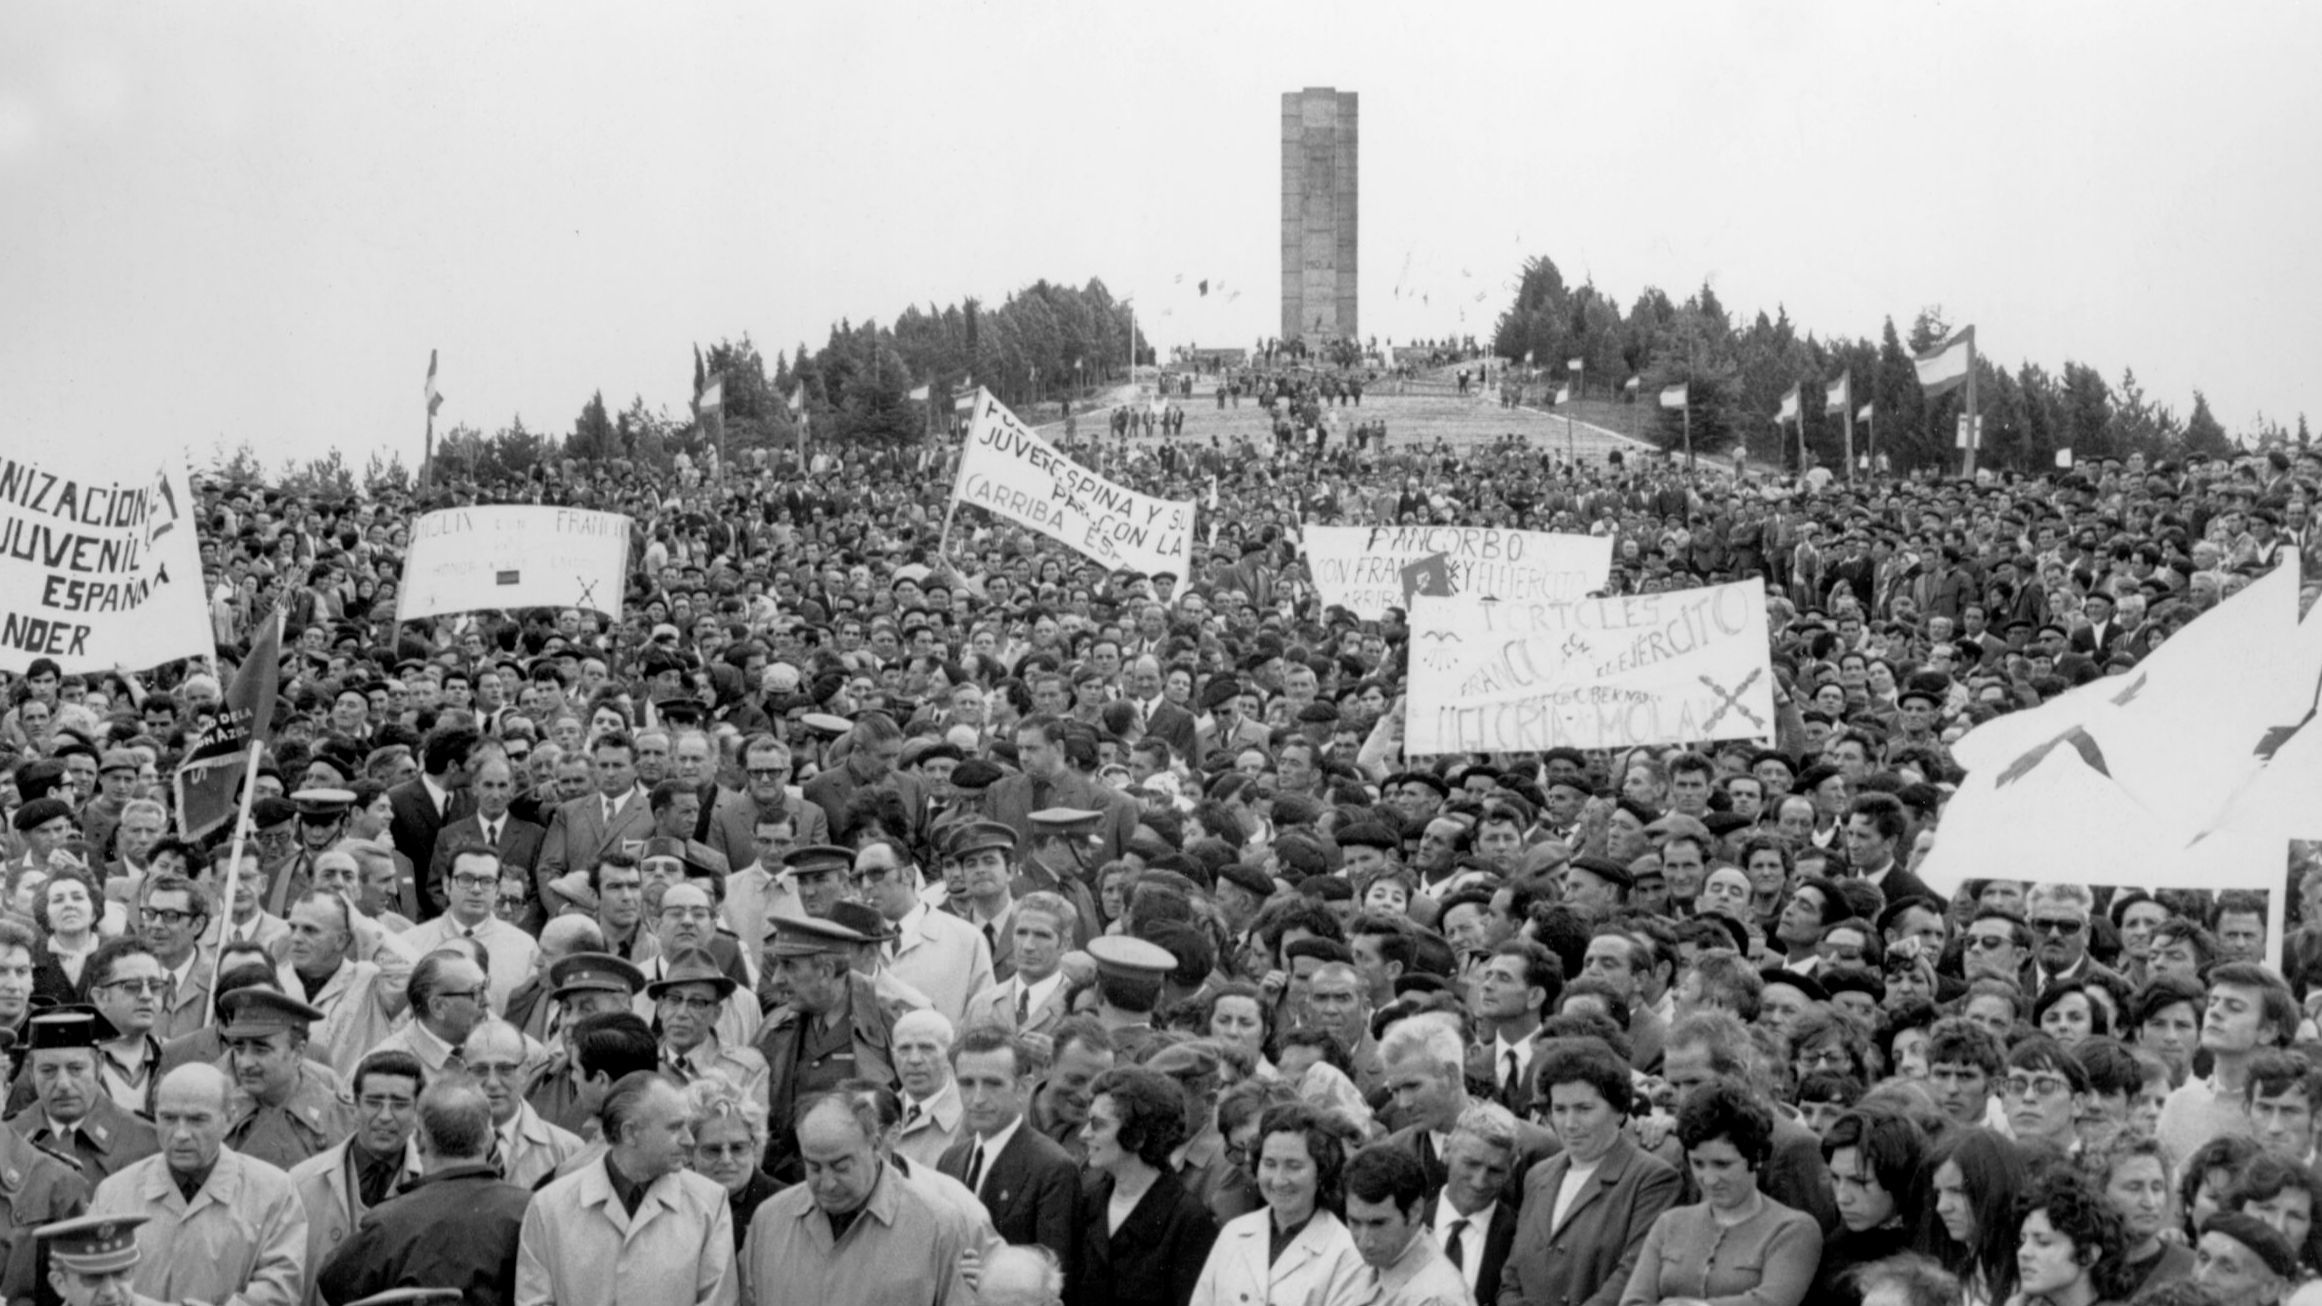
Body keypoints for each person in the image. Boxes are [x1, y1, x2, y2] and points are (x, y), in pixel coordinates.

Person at [87, 1063, 307, 1306]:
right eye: (168, 1118)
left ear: (230, 1118)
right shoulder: (115, 1192)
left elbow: (280, 1290)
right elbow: (87, 1284)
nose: (181, 1134)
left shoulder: (273, 1191)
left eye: (197, 1120)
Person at [517, 1071, 737, 1306]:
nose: (689, 1140)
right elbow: (534, 1299)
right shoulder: (549, 1206)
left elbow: (718, 1301)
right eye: (675, 1128)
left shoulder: (709, 1202)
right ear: (630, 1133)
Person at [739, 1091, 977, 1306]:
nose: (827, 1183)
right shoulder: (770, 1220)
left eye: (841, 1167)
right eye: (813, 1167)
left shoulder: (938, 1225)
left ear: (875, 1146)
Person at [314, 1076, 532, 1306]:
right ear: (489, 1139)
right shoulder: (529, 1211)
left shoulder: (388, 1223)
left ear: (418, 1139)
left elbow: (333, 1283)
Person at [1501, 1038, 1682, 1306]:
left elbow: (1633, 1274)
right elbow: (1512, 1276)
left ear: (1620, 1111)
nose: (1570, 1123)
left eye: (1584, 1109)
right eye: (1559, 1109)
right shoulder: (1538, 1175)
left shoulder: (1652, 1178)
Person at [1620, 1078, 1822, 1306]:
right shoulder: (1670, 1224)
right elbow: (1634, 1300)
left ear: (1755, 1158)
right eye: (1698, 1163)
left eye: (1722, 1164)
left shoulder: (1793, 1229)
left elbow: (1771, 1302)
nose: (1708, 1179)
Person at [1188, 1101, 1366, 1306]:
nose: (1279, 1180)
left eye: (1294, 1166)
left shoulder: (1345, 1253)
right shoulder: (1234, 1233)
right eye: (1270, 1164)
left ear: (1322, 1170)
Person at [1069, 1065, 1218, 1306]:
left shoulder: (1187, 1221)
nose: (1084, 1134)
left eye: (1098, 1124)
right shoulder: (1089, 1202)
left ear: (1138, 1135)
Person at [286, 1049, 426, 1300]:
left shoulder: (432, 1186)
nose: (385, 1116)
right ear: (354, 1107)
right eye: (374, 1102)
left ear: (418, 1112)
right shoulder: (302, 1183)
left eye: (399, 1104)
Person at [938, 1026, 1078, 1265]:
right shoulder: (950, 1160)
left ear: (1023, 1087)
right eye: (967, 1083)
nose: (978, 1098)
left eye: (993, 1084)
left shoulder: (1053, 1168)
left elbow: (1054, 1269)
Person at [9, 1006, 160, 1189]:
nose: (63, 1084)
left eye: (76, 1069)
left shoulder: (146, 1142)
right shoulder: (8, 1138)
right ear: (31, 1072)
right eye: (48, 1071)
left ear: (99, 1066)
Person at [217, 988, 358, 1172]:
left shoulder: (342, 1119)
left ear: (298, 1053)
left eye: (261, 1049)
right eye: (239, 1048)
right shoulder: (218, 1114)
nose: (244, 1063)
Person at [1341, 1143, 1469, 1306]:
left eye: (1378, 1224)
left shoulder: (1435, 1298)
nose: (1365, 1241)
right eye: (1354, 1222)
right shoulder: (1378, 1265)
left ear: (1415, 1211)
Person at [463, 1018, 584, 1189]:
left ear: (525, 1070)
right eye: (480, 1070)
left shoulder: (566, 1149)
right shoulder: (439, 1144)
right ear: (464, 1073)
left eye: (505, 1069)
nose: (492, 1082)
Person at [682, 1075, 781, 1251]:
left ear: (754, 1145)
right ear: (690, 1152)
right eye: (713, 1150)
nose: (726, 1160)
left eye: (737, 1148)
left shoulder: (782, 1206)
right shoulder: (675, 1203)